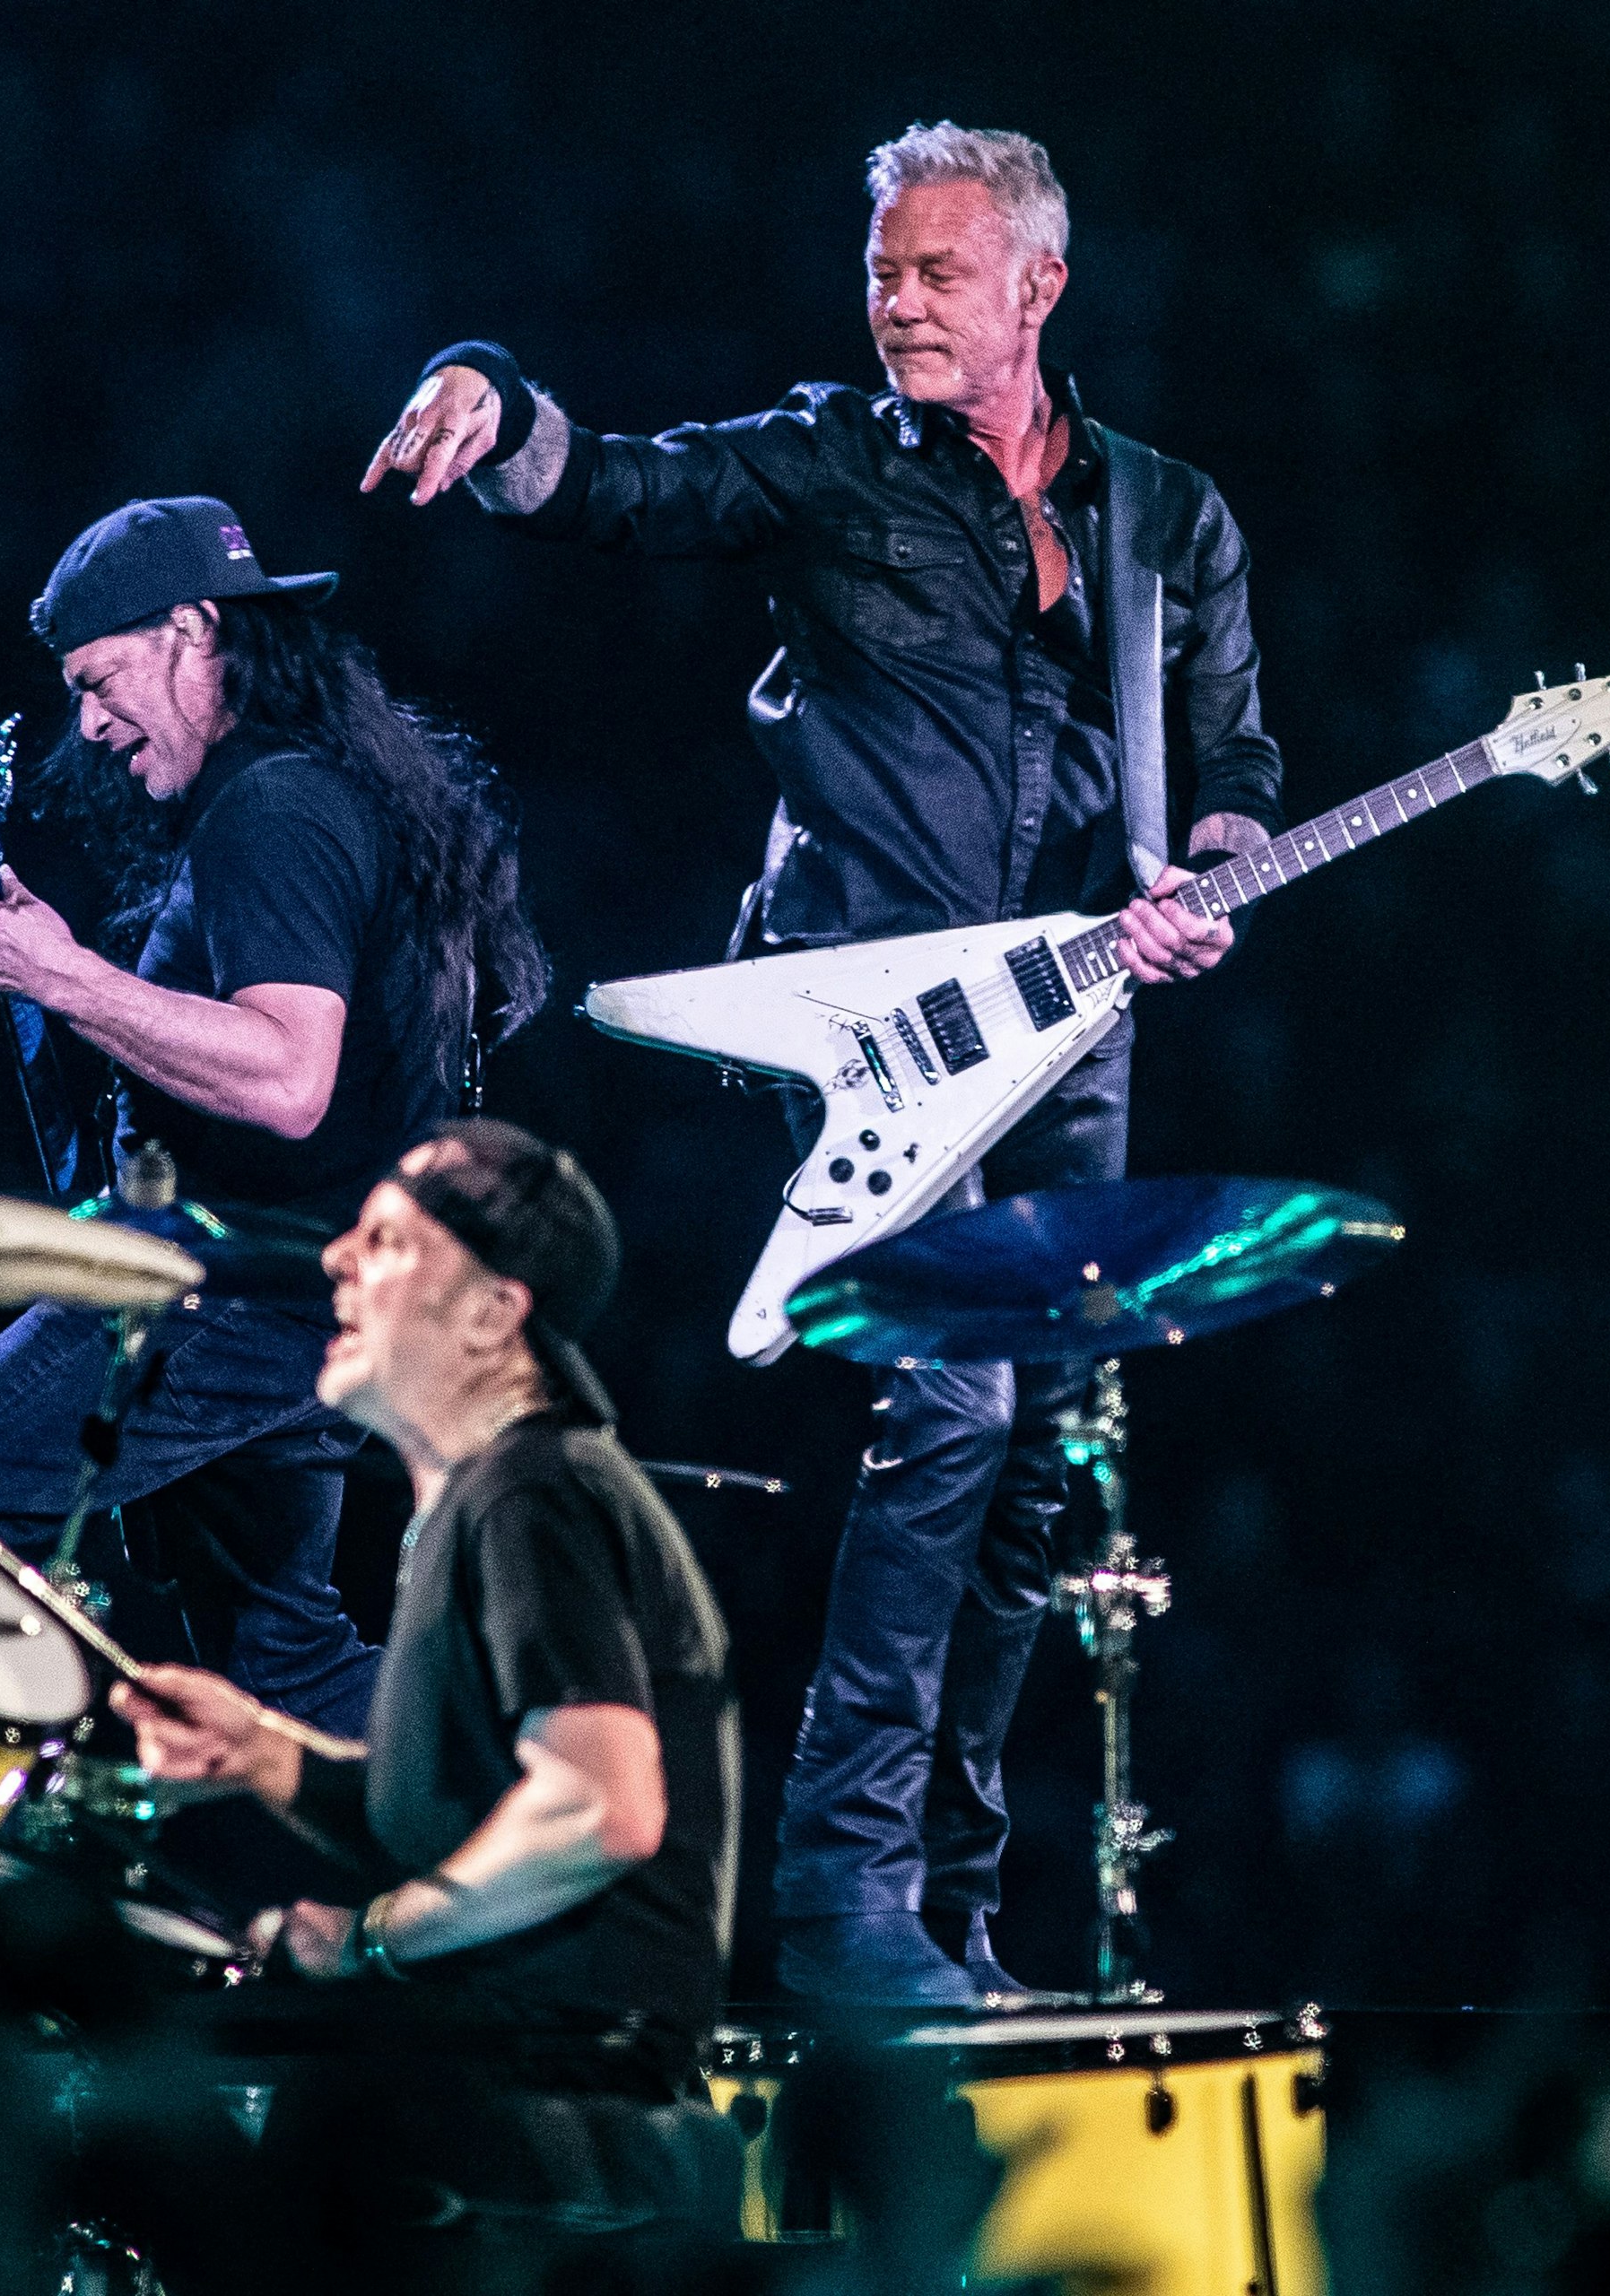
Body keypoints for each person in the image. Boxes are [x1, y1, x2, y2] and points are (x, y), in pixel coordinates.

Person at [361, 125, 1285, 2004]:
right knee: (948, 1412)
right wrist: (494, 393)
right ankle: (841, 1898)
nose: (897, 301)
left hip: (1074, 1027)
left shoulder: (1169, 518)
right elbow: (620, 488)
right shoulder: (828, 460)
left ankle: (951, 1905)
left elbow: (1237, 775)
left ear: (1040, 284)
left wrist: (1218, 877)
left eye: (937, 271)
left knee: (1034, 1467)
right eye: (882, 271)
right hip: (865, 1011)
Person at [0, 496, 548, 1739]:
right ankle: (514, 1862)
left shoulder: (274, 808)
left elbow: (285, 1077)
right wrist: (65, 992)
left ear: (197, 632)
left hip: (231, 1301)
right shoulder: (317, 794)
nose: (87, 726)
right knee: (284, 1672)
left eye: (100, 681)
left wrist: (63, 978)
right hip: (315, 1299)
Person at [108, 1119, 739, 2284]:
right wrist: (267, 1754)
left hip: (542, 2127)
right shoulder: (491, 1499)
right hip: (531, 2111)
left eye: (387, 1241)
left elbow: (601, 1812)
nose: (340, 1260)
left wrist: (376, 1941)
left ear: (496, 1315)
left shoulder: (532, 1490)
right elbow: (479, 1822)